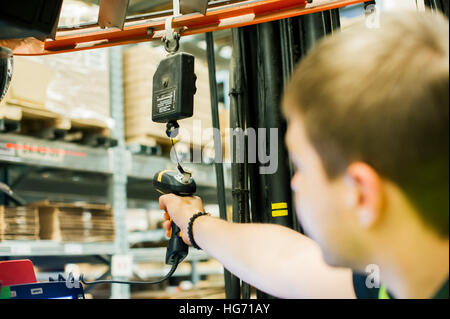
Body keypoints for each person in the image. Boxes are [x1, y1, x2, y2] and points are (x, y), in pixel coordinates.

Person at [158, 9, 449, 299]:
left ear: (360, 193)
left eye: (301, 168)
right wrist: (194, 222)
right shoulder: (399, 276)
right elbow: (285, 262)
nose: (294, 182)